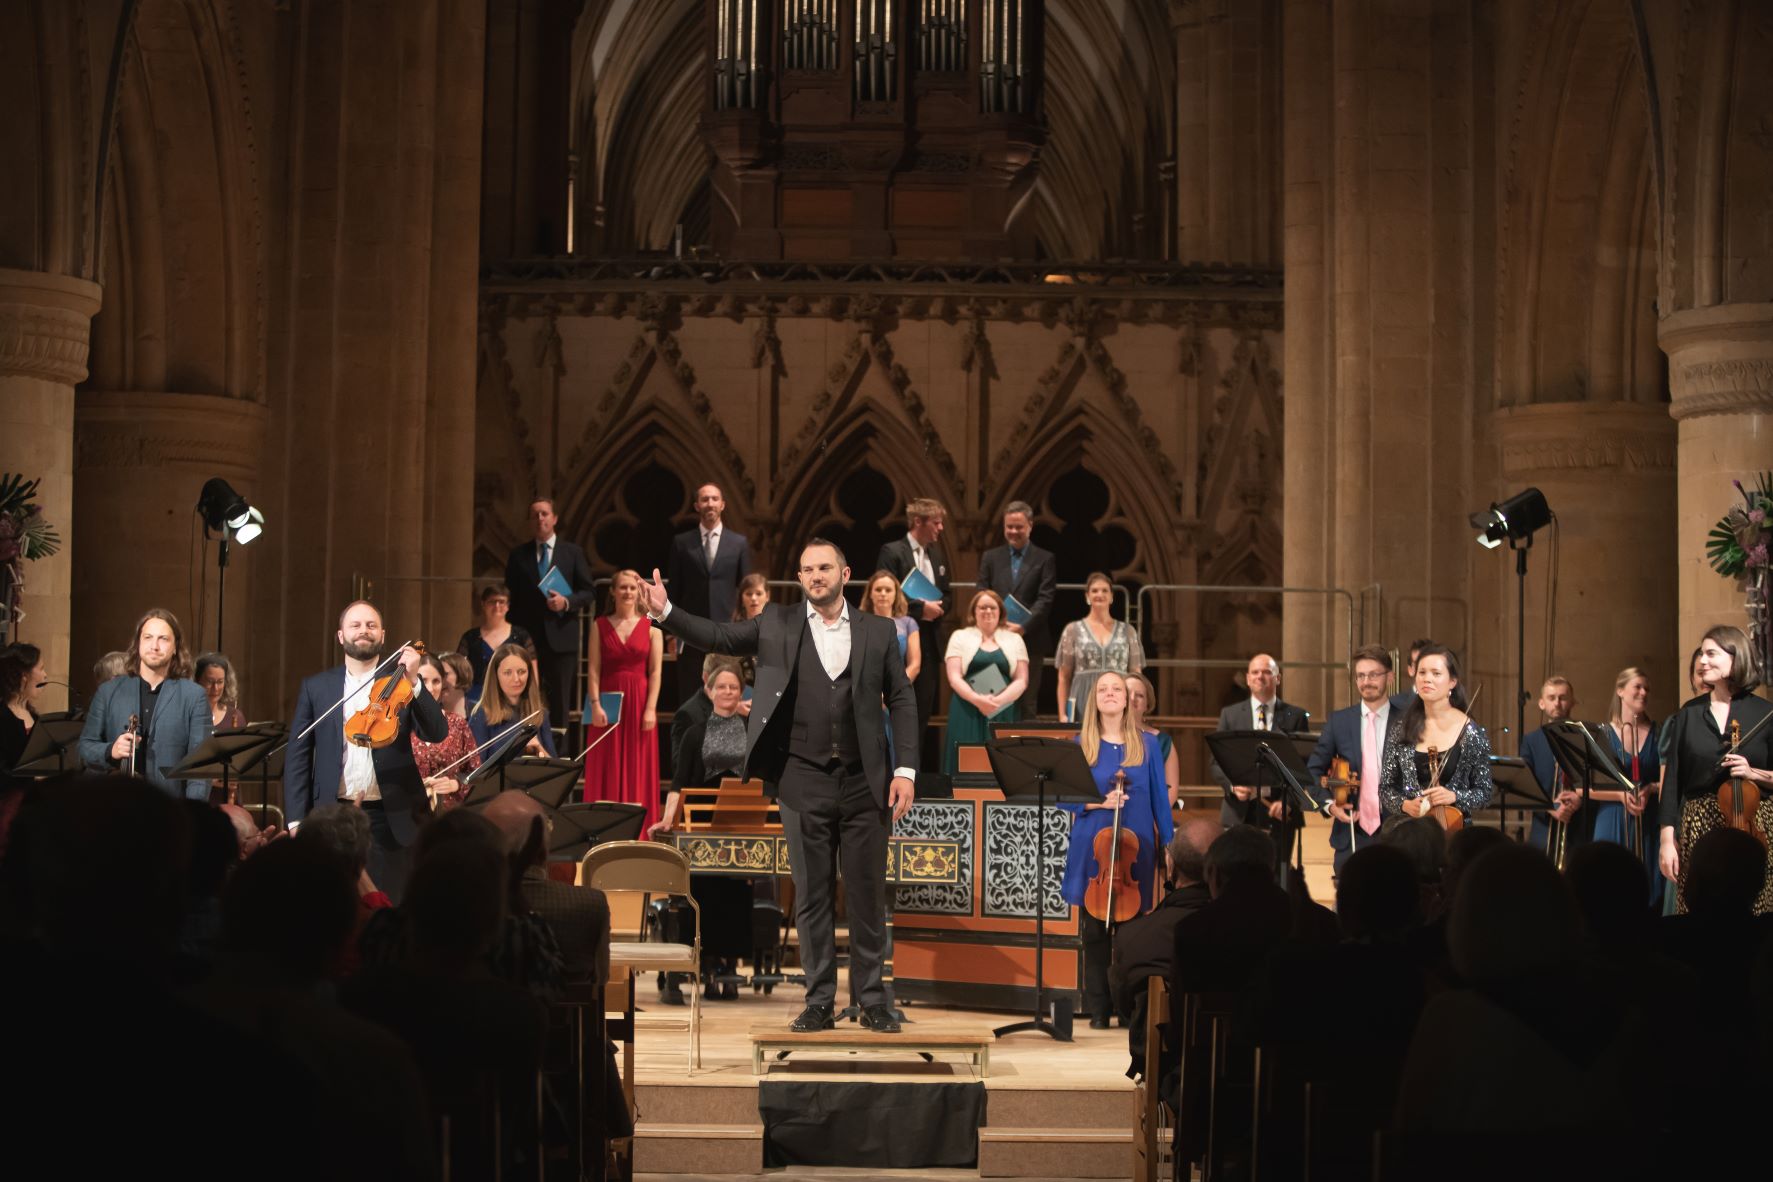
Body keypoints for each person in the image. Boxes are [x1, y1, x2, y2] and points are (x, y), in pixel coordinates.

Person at [640, 538, 918, 1033]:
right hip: (802, 776)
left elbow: (901, 697)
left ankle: (873, 1000)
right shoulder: (777, 622)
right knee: (810, 896)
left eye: (824, 568)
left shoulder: (878, 630)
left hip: (865, 781)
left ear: (845, 574)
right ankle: (819, 1001)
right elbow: (720, 636)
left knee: (866, 895)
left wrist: (906, 770)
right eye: (807, 569)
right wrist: (666, 612)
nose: (815, 576)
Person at [284, 600, 446, 902]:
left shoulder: (401, 683)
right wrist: (295, 820)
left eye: (371, 625)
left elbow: (436, 732)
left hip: (390, 816)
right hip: (332, 812)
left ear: (383, 635)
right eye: (355, 625)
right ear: (340, 635)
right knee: (331, 903)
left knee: (389, 904)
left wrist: (414, 681)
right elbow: (298, 755)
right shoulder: (316, 687)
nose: (364, 631)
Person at [1058, 671, 1175, 1028]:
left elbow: (1160, 800)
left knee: (1132, 935)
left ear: (1127, 700)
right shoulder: (1081, 744)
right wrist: (1098, 803)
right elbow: (1063, 797)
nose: (1110, 694)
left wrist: (1168, 844)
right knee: (1094, 932)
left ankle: (1128, 1010)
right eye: (1103, 689)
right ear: (1094, 700)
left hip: (1135, 850)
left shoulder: (1147, 745)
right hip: (1093, 851)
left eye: (1117, 689)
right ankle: (1098, 1010)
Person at [650, 664, 755, 1002]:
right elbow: (679, 783)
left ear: (741, 692)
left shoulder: (753, 730)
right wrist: (668, 819)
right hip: (701, 827)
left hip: (739, 824)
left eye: (733, 687)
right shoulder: (695, 733)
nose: (728, 692)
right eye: (721, 686)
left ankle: (730, 967)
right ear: (709, 691)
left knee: (736, 894)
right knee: (705, 893)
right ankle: (707, 965)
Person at [1657, 624, 1773, 913]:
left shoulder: (1765, 713)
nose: (1702, 661)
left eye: (1711, 654)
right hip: (1699, 826)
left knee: (1755, 912)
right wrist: (1667, 839)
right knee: (1699, 913)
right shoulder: (1689, 713)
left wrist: (1753, 774)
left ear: (1736, 657)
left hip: (1754, 825)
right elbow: (1672, 782)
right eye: (1702, 654)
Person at [1107, 816, 1220, 1068]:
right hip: (1238, 1072)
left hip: (1165, 1070)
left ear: (1170, 864)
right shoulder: (1244, 929)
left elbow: (1124, 1004)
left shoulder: (1134, 936)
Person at [79, 608, 211, 799]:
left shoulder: (194, 696)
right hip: (117, 803)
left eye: (163, 639)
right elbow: (85, 747)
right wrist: (110, 751)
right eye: (148, 637)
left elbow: (200, 766)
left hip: (169, 806)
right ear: (138, 643)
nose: (154, 646)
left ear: (175, 647)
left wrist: (193, 811)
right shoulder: (108, 691)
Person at [503, 498, 596, 746]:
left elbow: (589, 592)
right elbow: (512, 596)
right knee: (523, 695)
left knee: (560, 702)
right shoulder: (518, 555)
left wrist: (566, 602)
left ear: (554, 519)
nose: (540, 519)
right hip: (528, 640)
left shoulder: (572, 553)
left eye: (544, 514)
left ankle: (559, 754)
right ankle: (523, 748)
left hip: (562, 638)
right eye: (535, 515)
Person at [1378, 643, 1494, 827]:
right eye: (1422, 673)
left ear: (1452, 682)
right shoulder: (1402, 728)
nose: (1427, 679)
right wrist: (1405, 805)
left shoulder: (1470, 732)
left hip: (1455, 831)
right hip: (1411, 831)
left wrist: (1455, 796)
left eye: (1436, 673)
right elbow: (1386, 788)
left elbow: (1485, 793)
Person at [1306, 644, 1397, 877]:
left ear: (1390, 677)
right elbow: (1313, 770)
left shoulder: (1407, 720)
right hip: (1350, 834)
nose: (1366, 681)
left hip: (1398, 834)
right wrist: (1329, 805)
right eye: (1361, 676)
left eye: (1374, 675)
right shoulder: (1339, 721)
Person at [584, 569, 662, 829]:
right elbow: (593, 669)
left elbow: (655, 672)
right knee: (605, 764)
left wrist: (651, 708)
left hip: (639, 703)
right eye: (623, 587)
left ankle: (636, 830)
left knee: (637, 765)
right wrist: (595, 704)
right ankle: (601, 828)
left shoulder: (652, 628)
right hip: (607, 703)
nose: (628, 592)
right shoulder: (599, 625)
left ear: (639, 591)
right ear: (613, 591)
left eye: (632, 587)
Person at [876, 497, 952, 765]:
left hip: (929, 641)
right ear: (918, 522)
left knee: (921, 713)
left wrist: (939, 609)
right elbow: (886, 591)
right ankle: (888, 768)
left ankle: (912, 773)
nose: (941, 528)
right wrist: (921, 610)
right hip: (900, 639)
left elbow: (948, 595)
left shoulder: (937, 555)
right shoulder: (892, 551)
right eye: (936, 522)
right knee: (894, 707)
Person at [666, 482, 753, 707]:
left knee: (726, 693)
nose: (710, 503)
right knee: (690, 696)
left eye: (714, 499)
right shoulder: (682, 543)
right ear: (697, 505)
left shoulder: (739, 543)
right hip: (690, 630)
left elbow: (746, 588)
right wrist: (671, 633)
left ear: (722, 504)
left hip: (727, 631)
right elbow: (674, 590)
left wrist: (745, 628)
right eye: (705, 499)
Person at [1209, 652, 1310, 834]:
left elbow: (1304, 766)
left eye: (1267, 672)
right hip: (1238, 812)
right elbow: (1215, 763)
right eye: (1255, 672)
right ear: (1248, 679)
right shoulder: (1230, 715)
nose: (1260, 676)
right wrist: (1232, 786)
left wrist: (1288, 801)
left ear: (1278, 678)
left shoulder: (1296, 716)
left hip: (1280, 811)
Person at [1591, 666, 1664, 906]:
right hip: (1611, 817)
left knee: (1649, 892)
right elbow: (1583, 788)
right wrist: (1620, 796)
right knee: (1609, 891)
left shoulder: (1659, 733)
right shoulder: (1602, 734)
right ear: (1620, 691)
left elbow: (1670, 780)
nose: (1644, 693)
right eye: (1638, 687)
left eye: (1647, 689)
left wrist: (1651, 789)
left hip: (1648, 819)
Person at [975, 500, 1057, 714]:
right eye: (1009, 526)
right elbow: (982, 592)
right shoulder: (990, 557)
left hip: (1031, 639)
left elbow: (1045, 599)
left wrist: (1023, 627)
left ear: (1030, 525)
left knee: (1027, 703)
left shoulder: (1045, 558)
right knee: (994, 699)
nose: (1013, 531)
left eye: (1018, 527)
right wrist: (995, 624)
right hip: (995, 638)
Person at [942, 589, 1028, 774]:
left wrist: (997, 702)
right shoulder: (959, 636)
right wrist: (978, 700)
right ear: (974, 611)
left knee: (1001, 763)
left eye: (992, 607)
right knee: (964, 760)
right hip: (967, 707)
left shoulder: (1015, 639)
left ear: (1000, 611)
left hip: (1003, 708)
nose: (987, 611)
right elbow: (954, 677)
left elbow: (1022, 680)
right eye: (982, 607)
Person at [1054, 572, 1144, 723]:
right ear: (1087, 596)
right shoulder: (1072, 630)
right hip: (1083, 699)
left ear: (1111, 596)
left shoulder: (1128, 631)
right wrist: (1062, 715)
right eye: (1094, 591)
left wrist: (1136, 711)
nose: (1099, 594)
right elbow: (1064, 676)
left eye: (1104, 590)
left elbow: (1136, 674)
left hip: (1118, 700)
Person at [1522, 676, 1587, 858]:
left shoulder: (1587, 737)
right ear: (1541, 703)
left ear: (1572, 702)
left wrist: (1580, 799)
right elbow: (1526, 784)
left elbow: (1597, 780)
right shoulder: (1531, 741)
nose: (1557, 703)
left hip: (1579, 829)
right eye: (1551, 698)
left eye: (1562, 697)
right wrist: (1551, 807)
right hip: (1543, 831)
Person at [411, 653, 480, 810]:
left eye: (436, 681)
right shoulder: (399, 723)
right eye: (423, 680)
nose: (430, 688)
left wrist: (456, 784)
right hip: (410, 813)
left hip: (449, 815)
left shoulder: (458, 724)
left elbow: (476, 773)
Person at [454, 583, 536, 709]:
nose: (497, 606)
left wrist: (532, 701)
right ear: (483, 604)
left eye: (501, 602)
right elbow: (458, 670)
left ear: (508, 606)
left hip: (513, 700)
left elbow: (532, 671)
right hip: (476, 701)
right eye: (492, 602)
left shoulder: (521, 636)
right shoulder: (470, 637)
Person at [472, 641, 557, 760]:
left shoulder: (540, 713)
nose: (516, 679)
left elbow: (555, 766)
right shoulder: (482, 714)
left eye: (522, 672)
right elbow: (476, 767)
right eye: (508, 673)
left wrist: (539, 748)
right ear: (495, 676)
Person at [1125, 673, 1179, 808]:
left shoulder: (1163, 742)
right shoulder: (1105, 736)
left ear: (1147, 705)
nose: (1132, 698)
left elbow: (1171, 793)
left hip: (1149, 815)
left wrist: (1153, 819)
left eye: (1140, 695)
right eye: (1128, 693)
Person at [860, 570, 921, 685]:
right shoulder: (858, 622)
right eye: (878, 589)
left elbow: (915, 665)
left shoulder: (909, 623)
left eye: (888, 590)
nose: (883, 594)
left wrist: (895, 688)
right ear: (870, 594)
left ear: (895, 594)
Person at [1, 642, 44, 775]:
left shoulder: (35, 717)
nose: (45, 675)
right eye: (41, 668)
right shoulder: (3, 717)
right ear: (24, 676)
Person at [194, 653, 246, 731]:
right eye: (210, 681)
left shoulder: (235, 717)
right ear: (196, 682)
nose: (215, 688)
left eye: (220, 682)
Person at [1389, 638, 1434, 712]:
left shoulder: (1451, 705)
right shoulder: (1393, 705)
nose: (1424, 668)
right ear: (1410, 670)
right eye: (1418, 663)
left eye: (1430, 663)